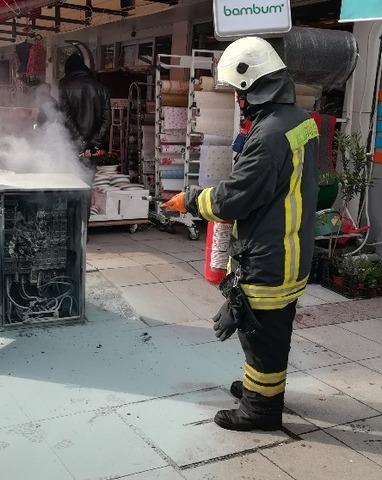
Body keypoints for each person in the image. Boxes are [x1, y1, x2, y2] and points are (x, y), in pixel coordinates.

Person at [162, 37, 319, 432]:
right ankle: (260, 392)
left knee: (259, 336)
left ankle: (260, 412)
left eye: (237, 91)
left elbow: (235, 199)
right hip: (290, 248)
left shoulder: (267, 137)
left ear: (254, 88)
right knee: (271, 333)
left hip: (267, 256)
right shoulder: (299, 122)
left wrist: (191, 200)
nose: (235, 99)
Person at [58, 53, 111, 156]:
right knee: (93, 171)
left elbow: (65, 117)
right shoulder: (102, 88)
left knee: (71, 170)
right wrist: (94, 142)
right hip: (94, 148)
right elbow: (107, 120)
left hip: (72, 145)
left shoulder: (64, 87)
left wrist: (80, 141)